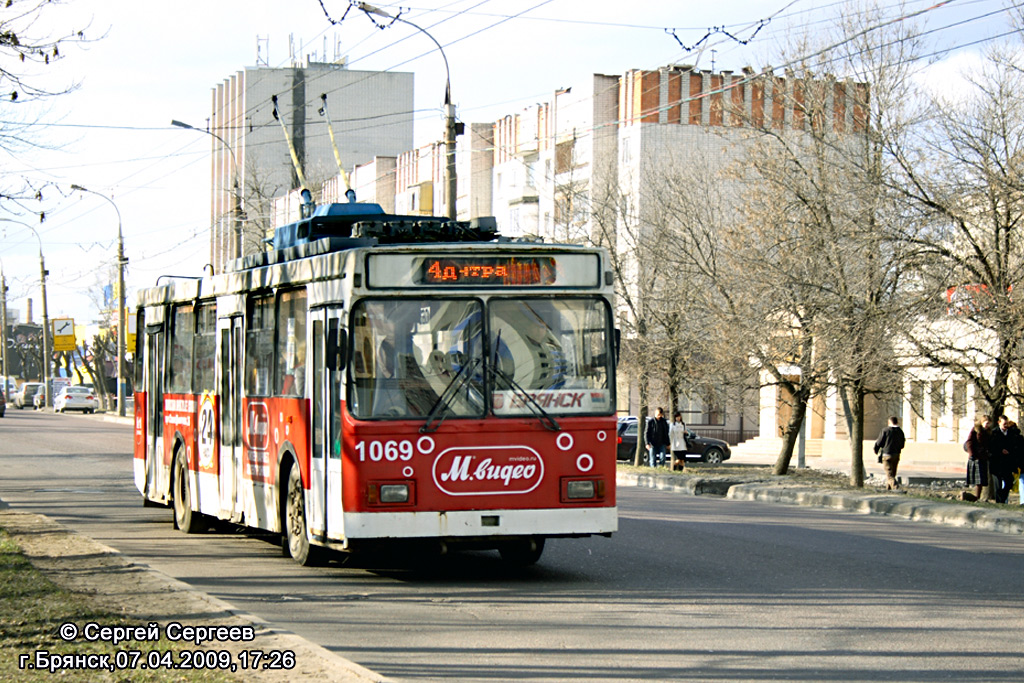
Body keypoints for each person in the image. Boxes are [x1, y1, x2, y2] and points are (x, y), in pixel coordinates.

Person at [990, 415, 1024, 504]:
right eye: (1004, 424)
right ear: (999, 423)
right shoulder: (994, 433)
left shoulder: (1010, 433)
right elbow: (991, 447)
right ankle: (999, 503)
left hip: (1007, 463)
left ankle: (1002, 497)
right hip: (996, 463)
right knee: (998, 485)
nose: (1005, 426)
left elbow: (1014, 446)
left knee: (1009, 482)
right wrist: (1000, 450)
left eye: (1006, 424)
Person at [964, 415, 993, 501]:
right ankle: (976, 497)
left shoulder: (988, 432)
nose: (987, 425)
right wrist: (971, 453)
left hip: (983, 456)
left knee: (981, 479)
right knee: (978, 479)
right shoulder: (975, 430)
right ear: (982, 422)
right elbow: (969, 442)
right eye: (986, 423)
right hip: (976, 457)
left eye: (989, 423)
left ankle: (978, 497)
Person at [873, 416, 906, 490]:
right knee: (893, 473)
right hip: (896, 454)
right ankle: (888, 489)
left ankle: (895, 487)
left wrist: (876, 450)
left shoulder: (885, 430)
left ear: (889, 422)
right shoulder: (900, 431)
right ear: (897, 422)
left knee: (889, 474)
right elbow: (902, 444)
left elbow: (879, 442)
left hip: (886, 454)